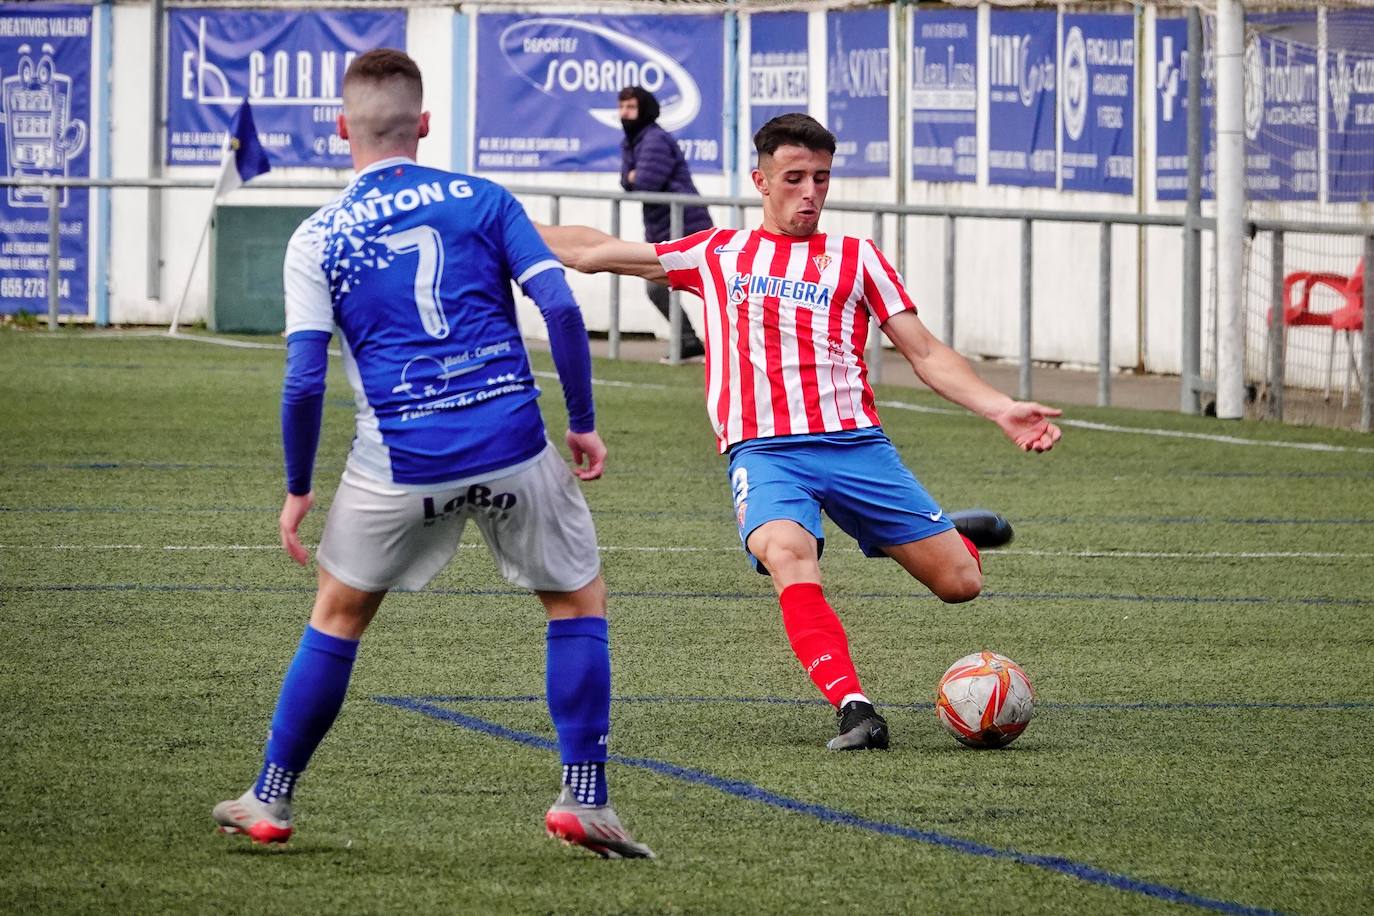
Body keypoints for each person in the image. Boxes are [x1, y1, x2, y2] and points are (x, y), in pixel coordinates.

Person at [211, 49, 653, 859]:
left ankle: (271, 796)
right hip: (513, 441)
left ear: (343, 128)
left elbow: (305, 378)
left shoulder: (316, 237)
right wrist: (581, 421)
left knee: (339, 616)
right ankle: (584, 796)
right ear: (423, 124)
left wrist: (299, 487)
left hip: (397, 463)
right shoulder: (484, 198)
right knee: (575, 602)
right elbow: (558, 302)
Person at [540, 113, 1062, 752]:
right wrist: (497, 223)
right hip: (763, 452)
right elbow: (593, 252)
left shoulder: (857, 258)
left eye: (821, 178)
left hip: (855, 446)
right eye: (794, 178)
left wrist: (998, 406)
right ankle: (855, 709)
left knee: (961, 585)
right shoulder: (720, 252)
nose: (810, 192)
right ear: (761, 181)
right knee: (788, 554)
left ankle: (941, 531)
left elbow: (924, 351)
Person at [618, 86, 709, 362]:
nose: (624, 113)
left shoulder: (654, 139)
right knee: (659, 285)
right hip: (665, 226)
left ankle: (691, 340)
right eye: (621, 107)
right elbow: (625, 180)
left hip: (685, 225)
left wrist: (632, 177)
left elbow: (645, 182)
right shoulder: (633, 140)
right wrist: (630, 177)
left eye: (631, 107)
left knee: (660, 285)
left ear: (643, 109)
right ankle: (688, 340)